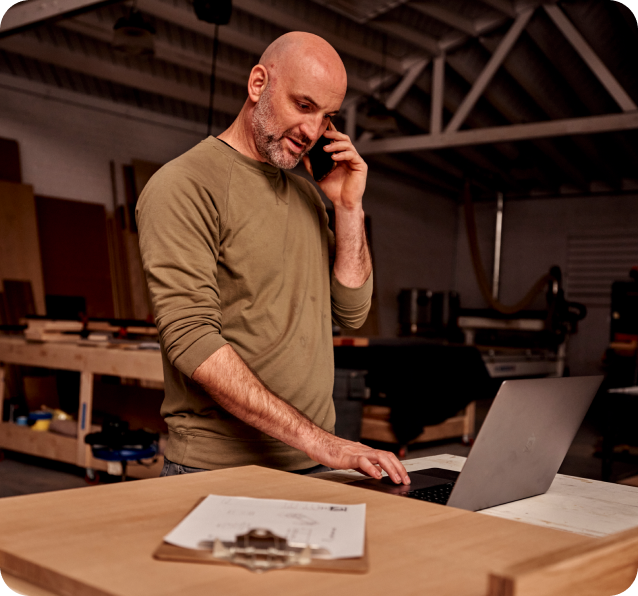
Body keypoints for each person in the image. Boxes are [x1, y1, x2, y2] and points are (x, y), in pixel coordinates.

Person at [136, 31, 409, 485]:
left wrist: (347, 206)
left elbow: (353, 311)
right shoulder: (184, 185)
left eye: (327, 118)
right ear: (258, 84)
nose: (312, 132)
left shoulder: (306, 194)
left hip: (313, 463)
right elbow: (191, 340)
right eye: (303, 106)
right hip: (218, 469)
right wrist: (320, 440)